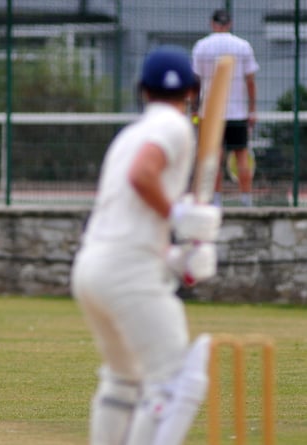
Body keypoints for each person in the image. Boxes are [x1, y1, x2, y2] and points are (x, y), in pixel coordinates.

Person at [70, 45, 222, 445]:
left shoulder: (129, 134)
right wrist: (177, 216)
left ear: (142, 90)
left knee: (124, 381)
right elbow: (143, 175)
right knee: (171, 382)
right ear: (191, 89)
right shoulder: (175, 127)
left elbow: (128, 218)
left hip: (92, 268)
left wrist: (174, 258)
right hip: (127, 270)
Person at [192, 9, 259, 207]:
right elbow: (250, 81)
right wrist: (252, 109)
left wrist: (195, 110)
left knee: (214, 157)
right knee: (241, 155)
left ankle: (216, 200)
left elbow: (196, 83)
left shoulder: (201, 47)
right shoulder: (243, 46)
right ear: (229, 24)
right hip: (237, 112)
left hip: (210, 112)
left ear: (212, 23)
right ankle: (247, 200)